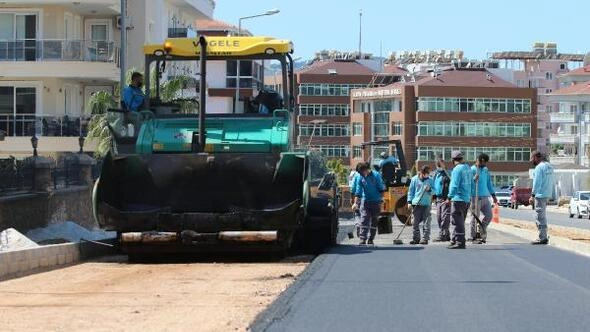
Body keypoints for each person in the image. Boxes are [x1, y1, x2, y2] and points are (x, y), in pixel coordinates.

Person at [352, 161, 386, 245]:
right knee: (364, 219)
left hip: (376, 201)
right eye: (359, 173)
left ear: (366, 170)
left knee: (374, 220)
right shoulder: (360, 177)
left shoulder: (376, 175)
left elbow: (381, 188)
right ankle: (362, 238)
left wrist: (382, 198)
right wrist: (355, 203)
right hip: (365, 201)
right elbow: (358, 192)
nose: (360, 174)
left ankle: (371, 238)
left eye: (361, 172)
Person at [467, 153, 498, 244]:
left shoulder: (485, 170)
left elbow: (489, 183)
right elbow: (468, 183)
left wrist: (493, 196)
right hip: (475, 196)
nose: (484, 165)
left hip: (485, 196)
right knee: (474, 217)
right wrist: (473, 179)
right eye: (483, 162)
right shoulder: (472, 170)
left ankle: (481, 228)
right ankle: (472, 236)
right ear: (479, 161)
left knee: (489, 216)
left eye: (485, 163)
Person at [446, 150, 472, 249]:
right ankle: (454, 239)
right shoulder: (467, 168)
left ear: (453, 160)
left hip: (458, 199)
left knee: (457, 221)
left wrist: (449, 197)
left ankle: (460, 242)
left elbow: (454, 185)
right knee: (460, 220)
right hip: (466, 199)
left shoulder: (457, 169)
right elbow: (472, 184)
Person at [529, 151, 554, 245]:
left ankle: (542, 238)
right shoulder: (549, 166)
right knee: (542, 216)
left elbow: (537, 183)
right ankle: (544, 235)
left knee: (539, 216)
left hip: (540, 195)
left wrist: (532, 195)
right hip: (547, 194)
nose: (531, 161)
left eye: (532, 158)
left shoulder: (539, 167)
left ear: (536, 157)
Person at [407, 165, 433, 245]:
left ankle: (425, 239)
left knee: (426, 222)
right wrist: (409, 202)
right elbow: (411, 191)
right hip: (416, 203)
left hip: (426, 204)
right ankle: (416, 238)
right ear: (422, 172)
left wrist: (429, 190)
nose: (427, 175)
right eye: (426, 173)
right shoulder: (414, 179)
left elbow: (435, 191)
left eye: (428, 173)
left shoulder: (430, 180)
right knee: (415, 222)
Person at [432, 158, 451, 242]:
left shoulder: (447, 174)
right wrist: (433, 196)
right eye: (437, 165)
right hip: (438, 198)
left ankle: (442, 235)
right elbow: (433, 186)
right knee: (439, 217)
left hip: (445, 198)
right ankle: (446, 234)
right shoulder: (436, 174)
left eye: (440, 165)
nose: (439, 167)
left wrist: (449, 198)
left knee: (445, 218)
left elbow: (452, 185)